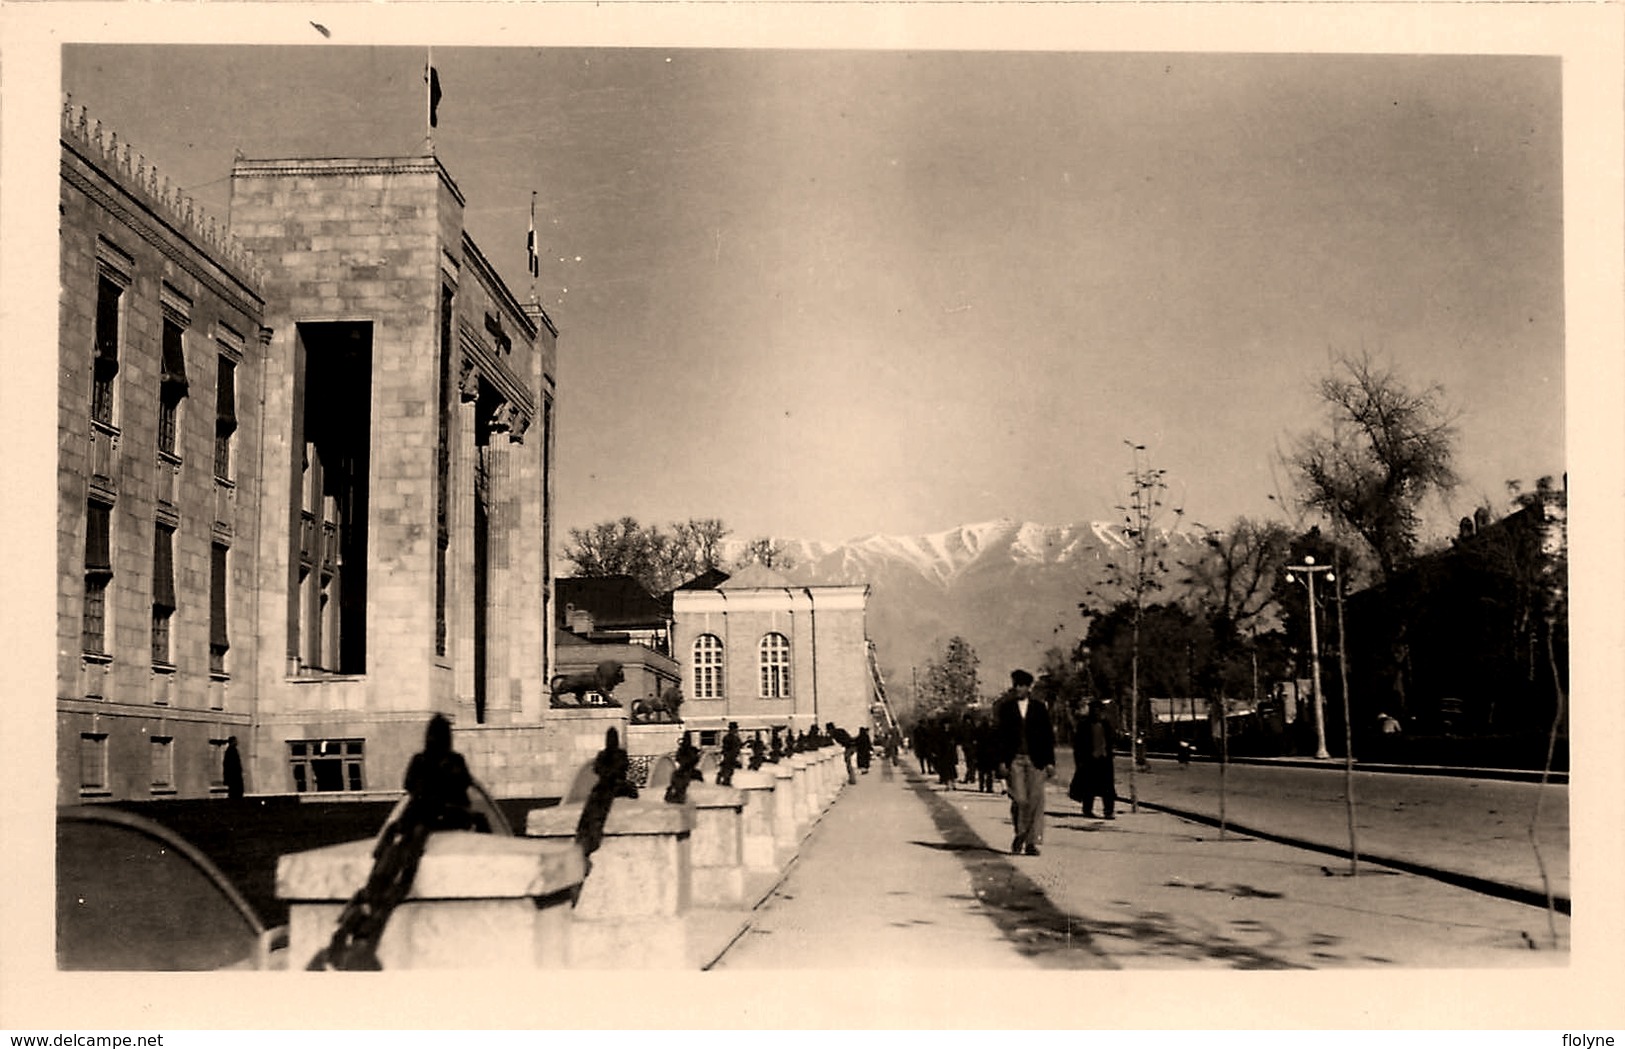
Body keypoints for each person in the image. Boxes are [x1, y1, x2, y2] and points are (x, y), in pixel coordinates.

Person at [995, 669, 1055, 856]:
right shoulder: (1006, 709)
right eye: (1015, 684)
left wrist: (1050, 762)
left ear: (1028, 688)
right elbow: (1000, 737)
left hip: (1036, 760)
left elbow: (1047, 737)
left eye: (1021, 685)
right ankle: (1020, 832)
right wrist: (1001, 762)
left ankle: (1031, 842)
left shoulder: (1039, 708)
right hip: (1015, 760)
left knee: (1036, 800)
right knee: (1020, 799)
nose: (1017, 688)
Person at [402, 714, 488, 832]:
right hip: (454, 814)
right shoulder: (456, 760)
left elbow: (408, 785)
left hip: (423, 814)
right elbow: (465, 783)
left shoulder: (419, 760)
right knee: (481, 821)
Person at [1068, 699, 1118, 819]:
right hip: (1089, 761)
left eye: (1099, 710)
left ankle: (1108, 811)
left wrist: (1110, 752)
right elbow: (1078, 745)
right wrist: (1079, 761)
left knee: (1107, 788)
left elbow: (1110, 740)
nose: (1097, 713)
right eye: (1094, 710)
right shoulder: (1084, 725)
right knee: (1088, 788)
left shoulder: (1106, 724)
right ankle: (1087, 809)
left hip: (1104, 760)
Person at [222, 735, 245, 800]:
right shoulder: (231, 751)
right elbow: (230, 764)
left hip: (234, 775)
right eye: (235, 741)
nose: (237, 742)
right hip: (234, 775)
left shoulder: (231, 750)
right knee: (235, 791)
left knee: (235, 791)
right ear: (233, 741)